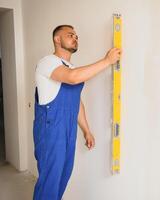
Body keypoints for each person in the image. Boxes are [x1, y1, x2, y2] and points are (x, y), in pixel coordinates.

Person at [33, 25, 121, 200]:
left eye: (77, 36)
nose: (75, 38)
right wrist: (106, 61)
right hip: (51, 130)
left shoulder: (71, 67)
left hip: (68, 129)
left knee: (63, 176)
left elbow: (76, 103)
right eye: (70, 35)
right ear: (57, 39)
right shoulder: (48, 62)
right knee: (50, 181)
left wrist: (86, 130)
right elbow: (73, 78)